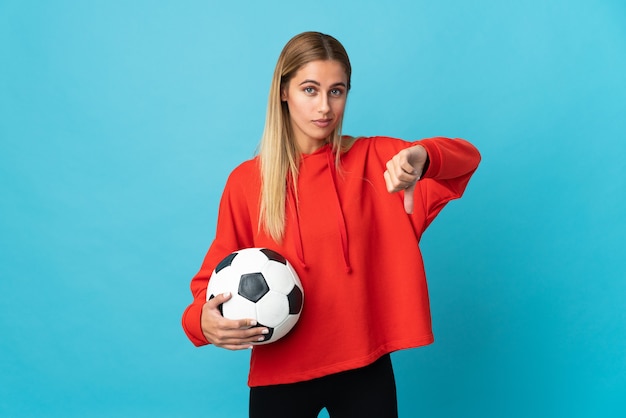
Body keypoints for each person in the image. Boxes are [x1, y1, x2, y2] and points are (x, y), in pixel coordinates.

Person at [182, 31, 481, 418]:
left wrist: (424, 156)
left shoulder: (378, 162)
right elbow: (211, 280)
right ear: (284, 91)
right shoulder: (247, 182)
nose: (324, 107)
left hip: (365, 367)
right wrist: (201, 323)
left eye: (336, 91)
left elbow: (467, 158)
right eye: (310, 89)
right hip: (281, 373)